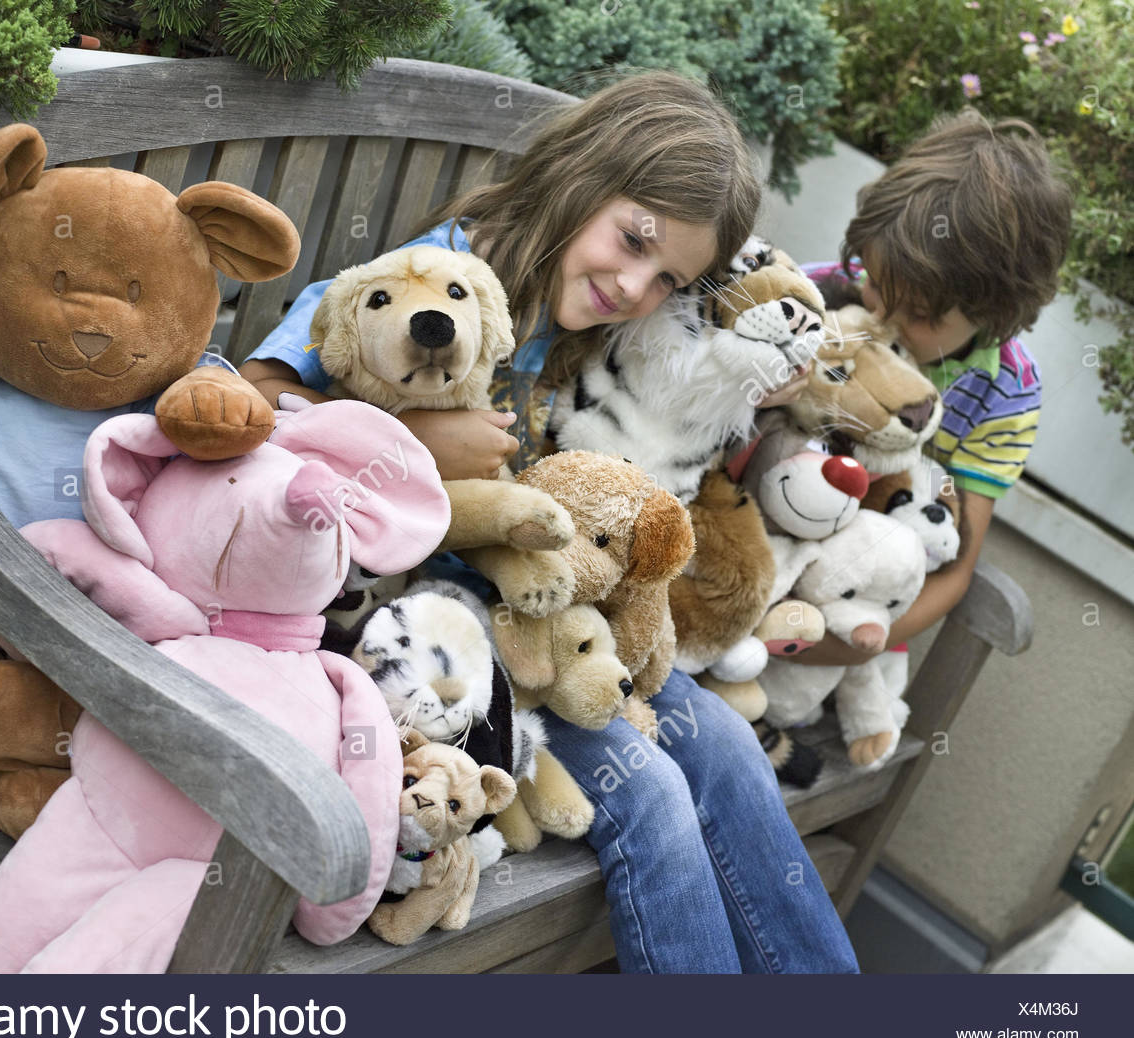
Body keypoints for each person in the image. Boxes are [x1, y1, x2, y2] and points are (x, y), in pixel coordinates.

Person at [240, 70, 858, 974]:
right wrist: (415, 441)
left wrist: (765, 378)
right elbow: (256, 400)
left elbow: (716, 336)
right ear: (581, 177)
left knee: (726, 746)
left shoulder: (584, 314)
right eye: (634, 239)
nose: (635, 285)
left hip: (557, 615)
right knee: (652, 796)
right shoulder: (429, 280)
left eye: (668, 278)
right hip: (436, 638)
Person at [796, 110, 1072, 667]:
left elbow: (955, 569)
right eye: (876, 285)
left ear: (995, 313)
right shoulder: (815, 297)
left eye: (920, 315)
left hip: (842, 626)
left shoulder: (1004, 392)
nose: (885, 320)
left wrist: (831, 652)